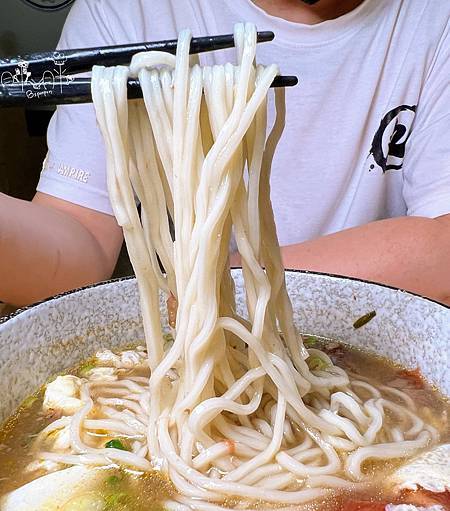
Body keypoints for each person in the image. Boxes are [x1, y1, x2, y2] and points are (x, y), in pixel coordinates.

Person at [0, 0, 449, 307]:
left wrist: (214, 283)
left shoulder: (434, 20)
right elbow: (79, 244)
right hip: (188, 357)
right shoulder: (127, 9)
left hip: (374, 339)